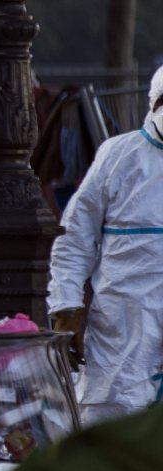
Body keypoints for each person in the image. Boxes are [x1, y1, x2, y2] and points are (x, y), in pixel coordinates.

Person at [48, 64, 163, 427]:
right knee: (114, 420)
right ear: (154, 103)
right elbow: (75, 238)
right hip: (123, 324)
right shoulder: (118, 157)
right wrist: (65, 305)